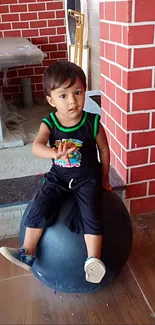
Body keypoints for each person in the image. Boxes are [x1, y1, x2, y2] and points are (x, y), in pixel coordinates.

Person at [0, 60, 111, 284]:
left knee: (91, 212)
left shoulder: (93, 122)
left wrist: (104, 178)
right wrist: (53, 153)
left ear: (85, 92)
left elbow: (104, 150)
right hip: (59, 176)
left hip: (87, 177)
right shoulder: (49, 122)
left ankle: (93, 260)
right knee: (40, 203)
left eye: (77, 92)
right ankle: (27, 253)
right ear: (51, 100)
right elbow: (36, 146)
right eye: (63, 95)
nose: (72, 101)